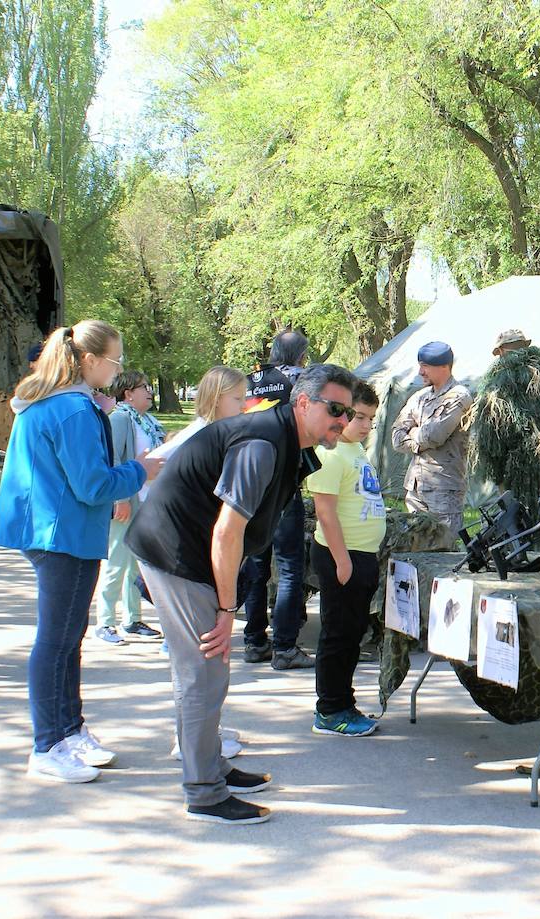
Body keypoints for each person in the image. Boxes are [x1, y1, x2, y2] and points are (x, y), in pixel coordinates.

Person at [126, 363, 357, 825]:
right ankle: (204, 794)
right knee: (202, 672)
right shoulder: (263, 443)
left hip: (190, 552)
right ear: (303, 403)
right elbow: (227, 532)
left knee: (209, 670)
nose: (344, 421)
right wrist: (227, 608)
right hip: (176, 554)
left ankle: (211, 767)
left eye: (349, 413)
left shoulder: (287, 439)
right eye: (336, 409)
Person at [0, 321, 164, 783]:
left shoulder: (61, 401)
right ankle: (48, 744)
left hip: (57, 531)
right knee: (58, 641)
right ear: (89, 360)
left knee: (66, 639)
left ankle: (68, 731)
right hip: (61, 534)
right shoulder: (72, 408)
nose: (118, 369)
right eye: (115, 361)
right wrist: (140, 470)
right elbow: (93, 485)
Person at [144, 365, 247, 762]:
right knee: (198, 658)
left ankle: (203, 730)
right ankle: (192, 743)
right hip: (180, 556)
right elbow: (150, 468)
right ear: (217, 398)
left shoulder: (211, 433)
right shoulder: (199, 436)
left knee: (202, 658)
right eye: (237, 399)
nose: (243, 406)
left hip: (186, 551)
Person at [305, 379, 384, 737]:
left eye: (371, 419)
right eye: (360, 417)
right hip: (343, 556)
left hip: (361, 555)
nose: (366, 425)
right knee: (338, 635)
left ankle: (343, 702)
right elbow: (325, 512)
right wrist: (342, 561)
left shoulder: (355, 450)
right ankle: (330, 710)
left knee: (352, 634)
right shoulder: (331, 453)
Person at [240, 330, 314, 669]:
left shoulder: (252, 381)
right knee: (289, 567)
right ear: (300, 355)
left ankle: (254, 640)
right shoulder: (302, 381)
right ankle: (285, 646)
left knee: (256, 564)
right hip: (284, 481)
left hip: (252, 480)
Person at [94, 370, 166, 645]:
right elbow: (112, 459)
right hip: (126, 499)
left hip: (147, 500)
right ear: (128, 393)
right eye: (143, 387)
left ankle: (132, 619)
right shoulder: (121, 418)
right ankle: (105, 622)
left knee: (136, 563)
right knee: (117, 562)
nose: (149, 391)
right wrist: (119, 499)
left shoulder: (147, 421)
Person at [390, 341, 472, 548]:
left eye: (425, 366)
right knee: (415, 546)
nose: (420, 372)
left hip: (444, 488)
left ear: (444, 366)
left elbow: (434, 435)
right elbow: (396, 437)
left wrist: (413, 431)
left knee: (444, 548)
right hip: (415, 486)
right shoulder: (420, 397)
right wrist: (420, 435)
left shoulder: (459, 395)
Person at [151, 366, 246, 460]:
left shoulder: (223, 434)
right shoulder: (197, 435)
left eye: (244, 398)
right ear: (215, 399)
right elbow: (153, 460)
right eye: (238, 399)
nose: (244, 406)